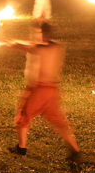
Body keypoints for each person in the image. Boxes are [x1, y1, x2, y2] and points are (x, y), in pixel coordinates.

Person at [5, 22, 81, 160]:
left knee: (23, 116)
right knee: (58, 121)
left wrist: (12, 44)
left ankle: (21, 148)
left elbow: (30, 47)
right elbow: (33, 44)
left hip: (40, 90)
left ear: (43, 33)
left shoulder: (41, 48)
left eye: (38, 33)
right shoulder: (58, 47)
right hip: (53, 90)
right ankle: (75, 150)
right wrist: (15, 41)